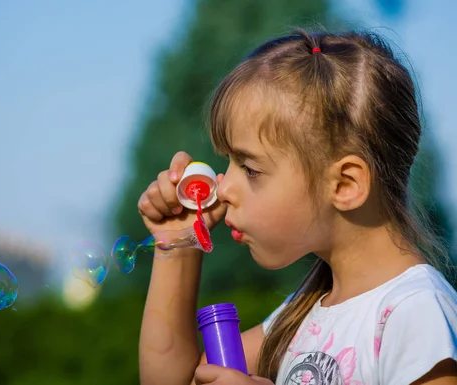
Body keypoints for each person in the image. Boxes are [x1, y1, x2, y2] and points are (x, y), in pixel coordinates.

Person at [137, 29, 457, 385]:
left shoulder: (415, 312)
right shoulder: (301, 315)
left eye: (251, 168)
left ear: (345, 185)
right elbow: (176, 380)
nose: (223, 188)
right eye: (228, 163)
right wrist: (179, 244)